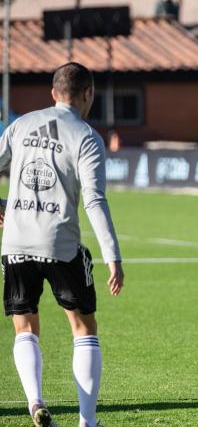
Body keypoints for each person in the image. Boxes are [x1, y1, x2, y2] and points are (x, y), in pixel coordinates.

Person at [0, 62, 124, 427]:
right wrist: (112, 256)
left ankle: (35, 401)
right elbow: (94, 201)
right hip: (60, 244)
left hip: (16, 241)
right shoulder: (86, 137)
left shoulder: (21, 125)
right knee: (84, 328)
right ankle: (87, 421)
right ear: (88, 94)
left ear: (53, 93)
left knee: (24, 327)